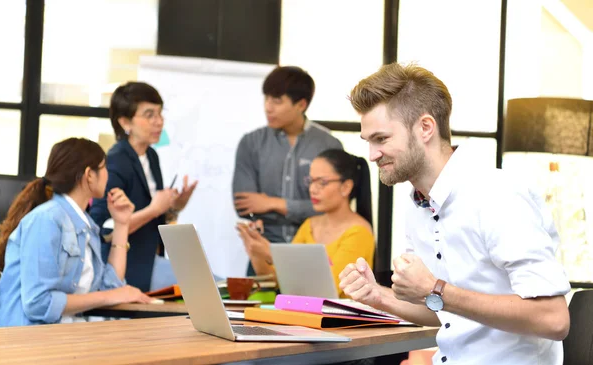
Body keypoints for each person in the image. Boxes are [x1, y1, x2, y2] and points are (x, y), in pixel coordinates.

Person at [338, 63, 571, 364]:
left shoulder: (497, 195)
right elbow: (444, 312)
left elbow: (553, 320)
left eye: (381, 139)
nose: (371, 155)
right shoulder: (419, 203)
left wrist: (435, 288)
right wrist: (377, 296)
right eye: (368, 141)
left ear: (425, 127)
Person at [0, 138, 152, 327]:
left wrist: (122, 224)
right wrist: (110, 296)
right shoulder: (47, 220)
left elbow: (110, 285)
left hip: (64, 335)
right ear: (89, 175)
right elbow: (38, 303)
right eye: (104, 168)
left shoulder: (85, 224)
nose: (108, 175)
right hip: (28, 342)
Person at [232, 66, 343, 274]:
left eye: (277, 101)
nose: (268, 107)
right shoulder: (251, 143)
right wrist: (300, 208)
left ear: (301, 104)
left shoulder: (328, 144)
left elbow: (333, 206)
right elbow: (245, 205)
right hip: (264, 252)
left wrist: (274, 204)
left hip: (314, 249)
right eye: (266, 99)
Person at [89, 82, 197, 292]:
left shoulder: (150, 156)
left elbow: (153, 219)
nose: (159, 122)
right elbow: (104, 230)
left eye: (159, 113)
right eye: (149, 115)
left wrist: (174, 207)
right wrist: (155, 209)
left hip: (151, 261)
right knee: (204, 285)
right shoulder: (115, 161)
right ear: (125, 122)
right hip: (127, 269)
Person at [238, 149, 374, 297]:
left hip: (338, 319)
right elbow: (279, 281)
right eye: (310, 181)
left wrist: (271, 254)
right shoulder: (310, 225)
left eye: (322, 182)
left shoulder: (359, 232)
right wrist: (256, 251)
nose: (312, 189)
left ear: (346, 187)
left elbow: (327, 290)